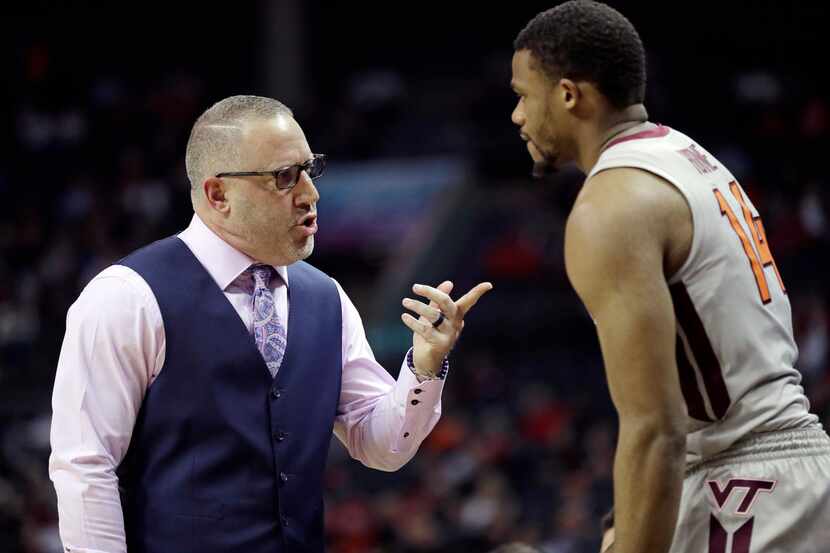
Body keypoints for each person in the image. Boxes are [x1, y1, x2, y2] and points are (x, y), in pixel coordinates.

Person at [48, 95, 492, 553]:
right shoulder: (125, 296)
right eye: (284, 177)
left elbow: (381, 447)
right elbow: (86, 467)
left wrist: (424, 367)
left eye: (310, 169)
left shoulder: (328, 298)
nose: (310, 194)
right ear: (217, 194)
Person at [510, 2, 830, 552]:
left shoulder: (610, 205)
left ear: (567, 95)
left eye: (522, 94)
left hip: (743, 491)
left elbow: (656, 429)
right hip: (792, 468)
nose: (516, 116)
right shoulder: (686, 155)